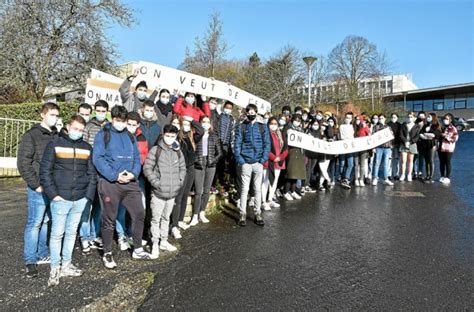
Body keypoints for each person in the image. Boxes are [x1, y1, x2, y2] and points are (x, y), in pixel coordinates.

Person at [39, 115, 97, 286]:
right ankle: (55, 268)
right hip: (60, 198)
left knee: (71, 233)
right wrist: (53, 195)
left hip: (80, 198)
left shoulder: (86, 147)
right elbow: (45, 171)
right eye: (75, 128)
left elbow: (91, 174)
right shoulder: (55, 144)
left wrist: (88, 196)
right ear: (68, 127)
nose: (78, 132)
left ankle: (66, 265)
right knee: (57, 234)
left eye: (81, 130)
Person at [93, 105, 151, 269]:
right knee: (109, 218)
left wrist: (133, 174)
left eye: (123, 121)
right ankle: (107, 253)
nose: (120, 123)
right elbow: (98, 158)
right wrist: (114, 175)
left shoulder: (130, 136)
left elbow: (136, 158)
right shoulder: (103, 134)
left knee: (139, 213)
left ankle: (137, 249)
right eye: (118, 120)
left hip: (130, 182)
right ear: (113, 119)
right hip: (110, 182)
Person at [17, 102, 60, 278]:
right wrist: (36, 185)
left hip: (53, 187)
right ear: (42, 115)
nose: (55, 118)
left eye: (57, 115)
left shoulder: (57, 135)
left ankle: (43, 253)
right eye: (52, 115)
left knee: (46, 221)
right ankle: (30, 260)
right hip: (39, 188)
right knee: (34, 223)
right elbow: (24, 163)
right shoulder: (31, 136)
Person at [143, 125, 186, 258]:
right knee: (155, 219)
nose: (170, 138)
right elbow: (147, 168)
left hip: (172, 193)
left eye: (173, 136)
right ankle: (155, 243)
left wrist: (179, 181)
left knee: (166, 218)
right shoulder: (156, 150)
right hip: (158, 193)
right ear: (163, 135)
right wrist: (156, 183)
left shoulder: (177, 151)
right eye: (168, 135)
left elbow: (183, 168)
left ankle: (164, 241)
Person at [114, 112, 149, 251]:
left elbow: (142, 156)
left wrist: (135, 172)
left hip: (137, 176)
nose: (131, 127)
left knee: (138, 209)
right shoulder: (118, 136)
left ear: (138, 125)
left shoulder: (141, 137)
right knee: (121, 209)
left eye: (134, 125)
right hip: (121, 176)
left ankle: (131, 234)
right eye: (129, 124)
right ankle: (121, 236)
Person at [234, 104, 270, 226]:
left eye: (253, 112)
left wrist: (263, 160)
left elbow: (267, 144)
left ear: (257, 112)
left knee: (257, 190)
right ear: (246, 113)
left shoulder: (262, 127)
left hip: (258, 162)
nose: (251, 114)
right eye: (249, 112)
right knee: (244, 190)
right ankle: (242, 214)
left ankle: (257, 213)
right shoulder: (241, 126)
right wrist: (240, 160)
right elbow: (237, 143)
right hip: (245, 162)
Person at [80, 100, 109, 254]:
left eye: (103, 110)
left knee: (99, 207)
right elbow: (83, 147)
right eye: (98, 110)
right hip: (89, 170)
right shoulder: (88, 126)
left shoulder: (109, 127)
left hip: (103, 172)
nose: (100, 113)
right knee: (86, 207)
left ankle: (94, 234)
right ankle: (84, 237)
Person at [170, 117, 204, 239]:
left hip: (190, 168)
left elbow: (201, 131)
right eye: (183, 123)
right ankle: (173, 225)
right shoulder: (177, 138)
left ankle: (179, 221)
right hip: (180, 169)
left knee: (185, 195)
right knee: (178, 198)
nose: (185, 126)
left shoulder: (191, 137)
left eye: (187, 124)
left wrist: (192, 120)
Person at [189, 116, 223, 226]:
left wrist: (214, 160)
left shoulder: (214, 136)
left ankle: (202, 213)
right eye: (203, 122)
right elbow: (192, 150)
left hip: (210, 165)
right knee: (198, 192)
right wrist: (196, 160)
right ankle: (195, 215)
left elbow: (220, 152)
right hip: (199, 165)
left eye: (208, 122)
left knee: (206, 191)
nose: (206, 124)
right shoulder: (196, 136)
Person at [262, 117, 288, 210]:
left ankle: (270, 199)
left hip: (278, 162)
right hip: (268, 161)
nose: (273, 125)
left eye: (275, 124)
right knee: (265, 181)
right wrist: (273, 157)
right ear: (268, 124)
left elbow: (285, 149)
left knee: (274, 181)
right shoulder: (265, 134)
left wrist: (280, 157)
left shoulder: (280, 134)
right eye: (271, 123)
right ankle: (263, 201)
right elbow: (265, 148)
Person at [283, 114, 306, 200]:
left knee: (297, 173)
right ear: (292, 120)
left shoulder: (300, 130)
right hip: (291, 152)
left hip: (299, 152)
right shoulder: (288, 128)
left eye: (299, 120)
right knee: (290, 173)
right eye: (296, 120)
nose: (297, 122)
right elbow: (285, 140)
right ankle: (286, 191)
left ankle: (292, 191)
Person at [371, 114, 394, 186]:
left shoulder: (388, 127)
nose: (381, 119)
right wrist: (373, 147)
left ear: (385, 119)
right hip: (379, 148)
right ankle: (375, 178)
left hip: (387, 148)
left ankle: (386, 179)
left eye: (382, 118)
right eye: (379, 118)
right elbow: (373, 138)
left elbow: (391, 137)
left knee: (386, 164)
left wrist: (391, 146)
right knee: (377, 163)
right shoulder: (376, 127)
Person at [418, 113, 441, 183]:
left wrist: (426, 134)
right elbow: (421, 133)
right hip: (425, 144)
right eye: (427, 117)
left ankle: (431, 177)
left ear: (433, 117)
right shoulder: (426, 125)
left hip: (432, 144)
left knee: (431, 160)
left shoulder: (436, 125)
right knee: (426, 161)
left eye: (429, 117)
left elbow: (434, 135)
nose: (427, 118)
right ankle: (427, 176)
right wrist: (426, 136)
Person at [399, 112, 421, 182]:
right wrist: (405, 141)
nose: (409, 118)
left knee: (410, 160)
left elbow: (417, 136)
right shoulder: (403, 125)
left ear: (414, 118)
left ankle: (409, 175)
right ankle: (402, 174)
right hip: (403, 144)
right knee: (403, 160)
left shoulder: (417, 126)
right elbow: (400, 134)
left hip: (412, 144)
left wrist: (410, 142)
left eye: (411, 117)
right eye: (408, 117)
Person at [438, 113, 459, 185]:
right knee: (441, 162)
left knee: (447, 162)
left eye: (447, 119)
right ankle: (442, 176)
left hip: (448, 148)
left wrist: (446, 136)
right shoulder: (442, 127)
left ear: (450, 120)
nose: (445, 120)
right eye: (444, 118)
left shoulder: (453, 128)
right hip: (440, 147)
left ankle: (447, 177)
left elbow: (455, 138)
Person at [338, 112, 355, 189]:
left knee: (350, 163)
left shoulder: (352, 126)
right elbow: (343, 136)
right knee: (342, 163)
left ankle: (346, 179)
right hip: (343, 146)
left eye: (349, 118)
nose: (348, 119)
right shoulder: (341, 126)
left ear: (351, 119)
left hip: (350, 147)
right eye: (347, 117)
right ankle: (342, 177)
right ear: (344, 118)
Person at [304, 119, 321, 192]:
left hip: (316, 154)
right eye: (314, 124)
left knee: (310, 170)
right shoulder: (308, 132)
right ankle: (305, 185)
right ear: (311, 125)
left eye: (317, 125)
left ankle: (307, 183)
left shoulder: (319, 132)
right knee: (307, 169)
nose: (315, 126)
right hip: (309, 153)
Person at [354, 115, 370, 187]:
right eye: (356, 119)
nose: (357, 120)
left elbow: (369, 135)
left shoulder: (364, 127)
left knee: (362, 164)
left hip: (363, 148)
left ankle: (361, 179)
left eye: (359, 119)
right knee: (356, 164)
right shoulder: (353, 127)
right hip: (355, 148)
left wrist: (365, 127)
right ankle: (356, 179)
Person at [388, 113, 402, 180]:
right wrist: (389, 144)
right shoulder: (388, 125)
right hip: (389, 145)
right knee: (389, 160)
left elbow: (400, 135)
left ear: (397, 118)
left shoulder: (399, 125)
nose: (393, 118)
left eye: (395, 117)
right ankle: (389, 174)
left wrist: (398, 144)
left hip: (397, 145)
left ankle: (396, 174)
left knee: (396, 160)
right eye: (392, 117)